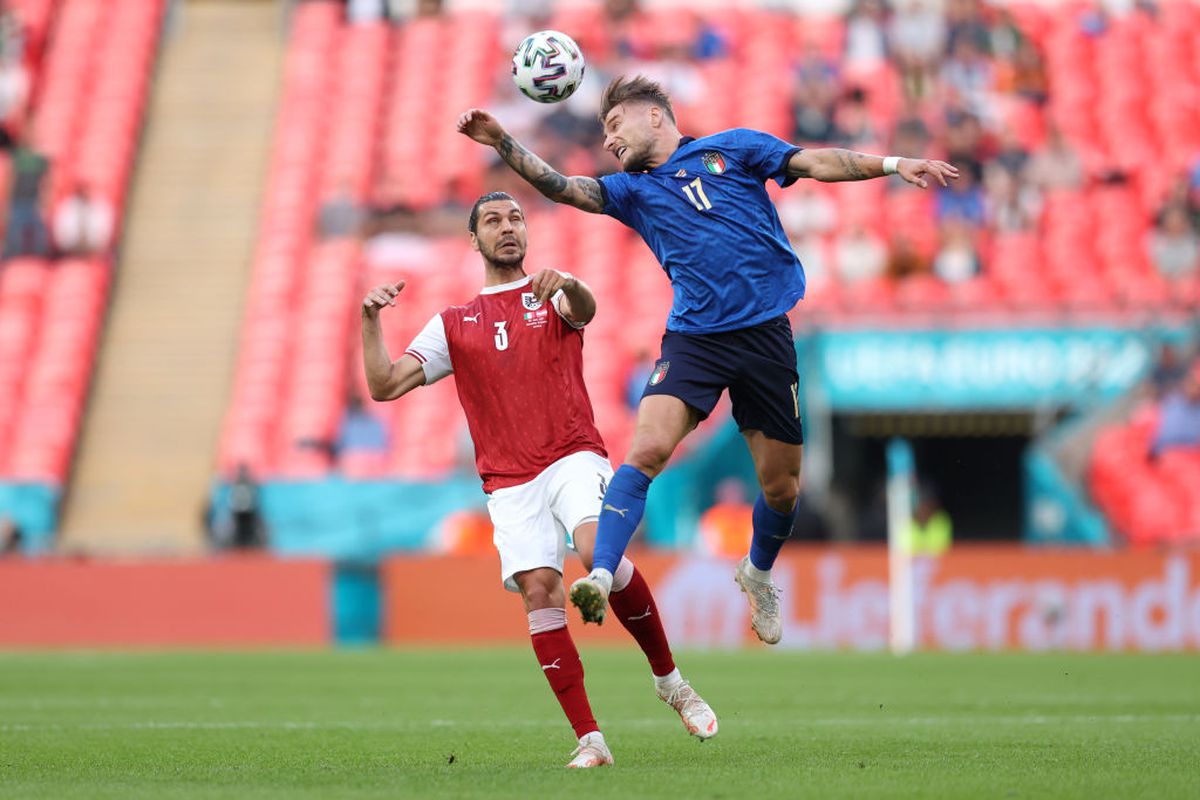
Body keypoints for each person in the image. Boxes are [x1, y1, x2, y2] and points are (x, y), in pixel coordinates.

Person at [456, 75, 957, 644]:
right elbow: (562, 187)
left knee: (782, 489)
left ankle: (758, 573)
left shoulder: (734, 148)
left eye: (615, 126)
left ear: (654, 117)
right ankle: (599, 573)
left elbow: (817, 162)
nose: (610, 142)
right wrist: (503, 143)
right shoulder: (632, 191)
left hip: (766, 335)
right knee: (645, 450)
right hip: (695, 340)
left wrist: (894, 164)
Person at [360, 191, 717, 769]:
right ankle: (591, 739)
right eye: (494, 221)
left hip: (571, 453)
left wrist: (569, 282)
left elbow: (589, 308)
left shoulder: (551, 294)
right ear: (473, 240)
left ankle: (671, 681)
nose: (508, 228)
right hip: (509, 480)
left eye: (516, 218)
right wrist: (369, 321)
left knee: (592, 547)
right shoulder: (454, 324)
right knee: (539, 593)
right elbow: (384, 385)